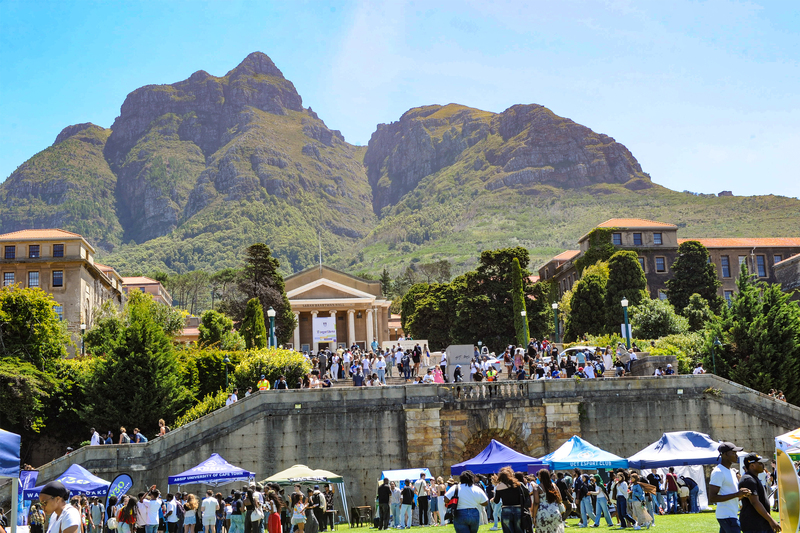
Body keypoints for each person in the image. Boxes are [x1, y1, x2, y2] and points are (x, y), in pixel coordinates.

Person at [709, 442, 751, 533]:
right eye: (733, 453)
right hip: (726, 516)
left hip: (731, 514)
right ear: (724, 454)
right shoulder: (718, 472)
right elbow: (712, 498)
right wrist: (736, 494)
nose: (736, 456)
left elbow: (730, 493)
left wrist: (742, 495)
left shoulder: (731, 471)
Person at [738, 453, 781, 533]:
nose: (763, 465)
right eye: (760, 463)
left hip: (761, 523)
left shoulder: (754, 478)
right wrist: (771, 520)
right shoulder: (748, 479)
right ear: (752, 466)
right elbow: (755, 502)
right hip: (754, 525)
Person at [492, 466, 524, 533]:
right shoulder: (517, 484)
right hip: (517, 508)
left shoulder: (499, 486)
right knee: (519, 529)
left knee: (508, 530)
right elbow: (522, 497)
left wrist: (493, 499)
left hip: (506, 509)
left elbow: (496, 501)